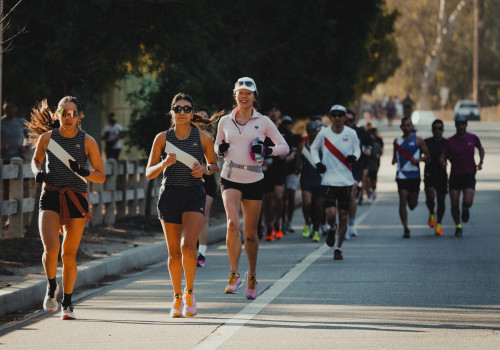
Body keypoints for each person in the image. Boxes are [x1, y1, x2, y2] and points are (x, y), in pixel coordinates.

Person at [27, 96, 105, 320]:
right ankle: (52, 286)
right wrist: (37, 172)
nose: (67, 117)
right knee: (50, 249)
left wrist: (83, 171)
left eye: (72, 113)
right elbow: (36, 160)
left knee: (68, 255)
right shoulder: (47, 138)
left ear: (80, 116)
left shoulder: (88, 141)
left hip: (76, 199)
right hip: (50, 194)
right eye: (63, 112)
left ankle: (68, 302)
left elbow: (101, 176)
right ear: (57, 115)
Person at [146, 93, 219, 317]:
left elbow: (214, 165)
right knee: (173, 253)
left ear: (192, 112)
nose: (182, 113)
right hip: (170, 196)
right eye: (178, 109)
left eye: (187, 109)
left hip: (194, 194)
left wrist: (204, 170)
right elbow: (149, 173)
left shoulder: (204, 138)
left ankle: (189, 293)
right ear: (172, 112)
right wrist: (164, 163)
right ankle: (176, 297)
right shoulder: (162, 138)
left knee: (188, 247)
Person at [215, 77, 288, 299]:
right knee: (232, 224)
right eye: (240, 93)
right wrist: (221, 148)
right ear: (235, 94)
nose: (244, 97)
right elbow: (216, 145)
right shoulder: (225, 121)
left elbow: (283, 146)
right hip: (230, 176)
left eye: (248, 93)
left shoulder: (263, 121)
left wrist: (268, 151)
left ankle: (252, 275)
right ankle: (234, 274)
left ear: (254, 96)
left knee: (251, 234)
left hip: (254, 178)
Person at [310, 105, 360, 260]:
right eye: (334, 115)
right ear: (330, 117)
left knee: (344, 215)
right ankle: (332, 228)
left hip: (345, 181)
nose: (337, 117)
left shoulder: (351, 133)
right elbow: (313, 148)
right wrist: (318, 163)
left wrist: (354, 157)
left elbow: (357, 149)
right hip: (329, 180)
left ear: (345, 117)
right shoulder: (324, 133)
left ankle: (338, 248)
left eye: (340, 115)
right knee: (331, 214)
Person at [440, 115, 485, 237]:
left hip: (469, 174)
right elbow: (442, 156)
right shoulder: (450, 141)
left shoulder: (473, 138)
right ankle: (458, 226)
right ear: (455, 125)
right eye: (458, 124)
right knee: (454, 204)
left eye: (463, 124)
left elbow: (481, 149)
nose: (461, 127)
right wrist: (443, 162)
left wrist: (481, 162)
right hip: (455, 176)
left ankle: (465, 208)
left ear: (466, 125)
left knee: (468, 201)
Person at [391, 116, 429, 238]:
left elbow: (428, 156)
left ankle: (411, 200)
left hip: (415, 176)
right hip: (401, 175)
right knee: (402, 199)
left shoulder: (418, 140)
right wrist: (393, 160)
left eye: (409, 125)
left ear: (412, 127)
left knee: (412, 205)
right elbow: (394, 157)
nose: (407, 128)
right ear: (401, 127)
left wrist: (418, 160)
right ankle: (405, 228)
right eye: (405, 126)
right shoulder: (396, 141)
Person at [260, 103, 287, 241]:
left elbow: (287, 149)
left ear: (279, 113)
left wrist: (285, 154)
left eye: (276, 110)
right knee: (267, 201)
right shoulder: (263, 130)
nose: (274, 113)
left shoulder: (283, 130)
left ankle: (278, 223)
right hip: (266, 169)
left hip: (279, 168)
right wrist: (261, 159)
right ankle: (269, 226)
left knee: (278, 196)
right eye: (271, 110)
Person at [344, 109, 372, 238]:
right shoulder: (337, 132)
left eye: (351, 120)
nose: (348, 123)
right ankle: (341, 224)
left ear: (354, 121)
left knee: (350, 195)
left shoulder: (360, 132)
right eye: (346, 120)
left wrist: (368, 150)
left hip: (355, 168)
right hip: (340, 169)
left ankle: (351, 225)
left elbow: (370, 143)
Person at [196, 107, 218, 267]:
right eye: (200, 117)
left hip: (208, 181)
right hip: (190, 181)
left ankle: (201, 253)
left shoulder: (212, 139)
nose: (203, 120)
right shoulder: (185, 136)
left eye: (205, 117)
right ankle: (190, 249)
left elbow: (213, 162)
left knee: (204, 215)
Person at [296, 121, 323, 242]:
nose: (313, 134)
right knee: (306, 203)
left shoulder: (323, 145)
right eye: (311, 132)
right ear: (308, 132)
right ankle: (308, 223)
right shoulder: (303, 145)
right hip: (306, 179)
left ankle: (316, 230)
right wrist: (298, 167)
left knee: (318, 206)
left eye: (315, 131)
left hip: (320, 179)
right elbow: (297, 160)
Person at [424, 119, 448, 235]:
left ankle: (439, 223)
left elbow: (454, 156)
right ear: (432, 130)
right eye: (435, 128)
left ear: (443, 130)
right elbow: (417, 153)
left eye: (440, 128)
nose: (437, 131)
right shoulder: (426, 142)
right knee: (430, 196)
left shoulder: (447, 143)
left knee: (441, 200)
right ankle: (431, 212)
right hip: (429, 172)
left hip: (442, 174)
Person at [280, 115, 302, 234]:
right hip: (281, 171)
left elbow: (299, 154)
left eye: (289, 123)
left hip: (292, 171)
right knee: (282, 198)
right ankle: (282, 221)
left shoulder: (296, 138)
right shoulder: (279, 138)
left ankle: (289, 221)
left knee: (291, 194)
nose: (287, 126)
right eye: (285, 124)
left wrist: (298, 165)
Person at [365, 128, 384, 203]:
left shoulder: (377, 144)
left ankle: (373, 190)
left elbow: (381, 152)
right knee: (367, 180)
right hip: (366, 165)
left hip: (375, 165)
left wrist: (378, 156)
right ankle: (368, 196)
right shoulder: (365, 145)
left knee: (373, 181)